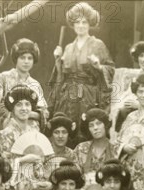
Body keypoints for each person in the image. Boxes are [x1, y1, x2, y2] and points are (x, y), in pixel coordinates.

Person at [50, 2, 115, 145]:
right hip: (69, 97)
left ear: (89, 24)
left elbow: (110, 68)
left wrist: (99, 66)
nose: (80, 25)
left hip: (89, 96)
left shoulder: (98, 45)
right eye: (77, 22)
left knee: (87, 127)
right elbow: (61, 76)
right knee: (68, 128)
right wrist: (57, 61)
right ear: (73, 24)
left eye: (84, 22)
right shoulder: (67, 48)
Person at [0, 84, 45, 190]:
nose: (24, 108)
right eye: (19, 105)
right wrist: (21, 160)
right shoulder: (2, 135)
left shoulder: (36, 135)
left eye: (27, 104)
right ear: (12, 109)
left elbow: (41, 167)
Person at [0, 38, 49, 130]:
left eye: (30, 58)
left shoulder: (35, 84)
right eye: (22, 57)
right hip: (8, 124)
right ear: (16, 58)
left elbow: (44, 112)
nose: (26, 61)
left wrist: (28, 114)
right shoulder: (4, 77)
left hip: (30, 126)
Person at [72, 108, 118, 190]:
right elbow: (73, 177)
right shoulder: (81, 148)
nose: (95, 128)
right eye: (91, 125)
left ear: (105, 125)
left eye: (99, 123)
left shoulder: (116, 148)